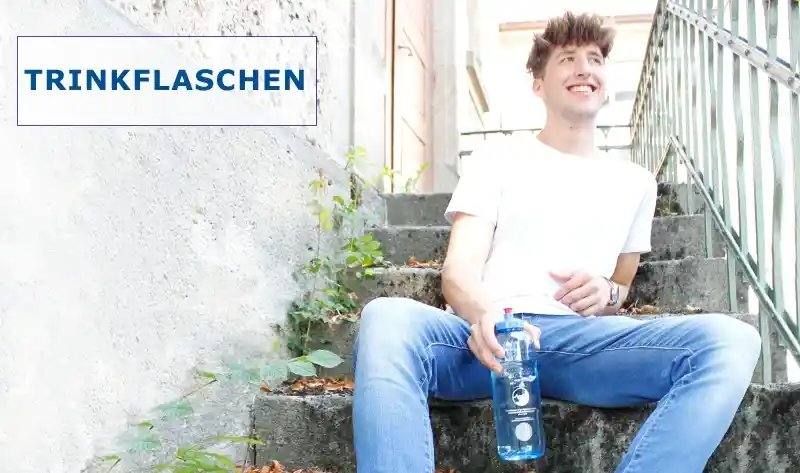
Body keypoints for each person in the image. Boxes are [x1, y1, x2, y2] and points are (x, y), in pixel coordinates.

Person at [351, 11, 761, 473]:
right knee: (386, 317)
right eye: (567, 59)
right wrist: (487, 315)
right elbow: (458, 272)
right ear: (538, 84)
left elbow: (621, 289)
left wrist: (605, 291)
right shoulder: (496, 159)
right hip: (485, 341)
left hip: (580, 344)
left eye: (594, 58)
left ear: (605, 81)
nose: (584, 68)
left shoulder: (637, 182)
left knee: (733, 339)